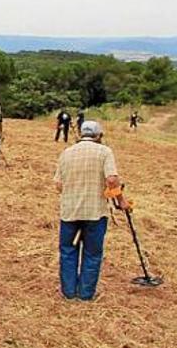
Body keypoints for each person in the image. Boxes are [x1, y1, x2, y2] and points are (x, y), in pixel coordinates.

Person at [53, 121, 126, 301]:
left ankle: (69, 293)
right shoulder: (104, 152)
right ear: (98, 136)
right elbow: (111, 179)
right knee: (92, 253)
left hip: (70, 211)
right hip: (95, 212)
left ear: (80, 134)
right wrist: (121, 201)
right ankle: (86, 294)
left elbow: (58, 185)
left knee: (68, 251)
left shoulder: (66, 153)